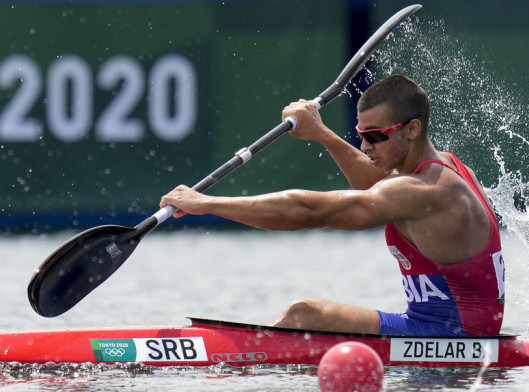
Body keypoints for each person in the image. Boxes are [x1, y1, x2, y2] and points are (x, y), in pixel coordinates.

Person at [160, 75, 505, 336]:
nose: (365, 145)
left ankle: (233, 363)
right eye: (360, 133)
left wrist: (206, 203)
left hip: (451, 338)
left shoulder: (428, 192)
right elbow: (377, 185)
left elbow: (311, 211)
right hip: (448, 331)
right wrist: (322, 134)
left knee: (306, 315)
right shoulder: (447, 169)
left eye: (375, 136)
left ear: (412, 129)